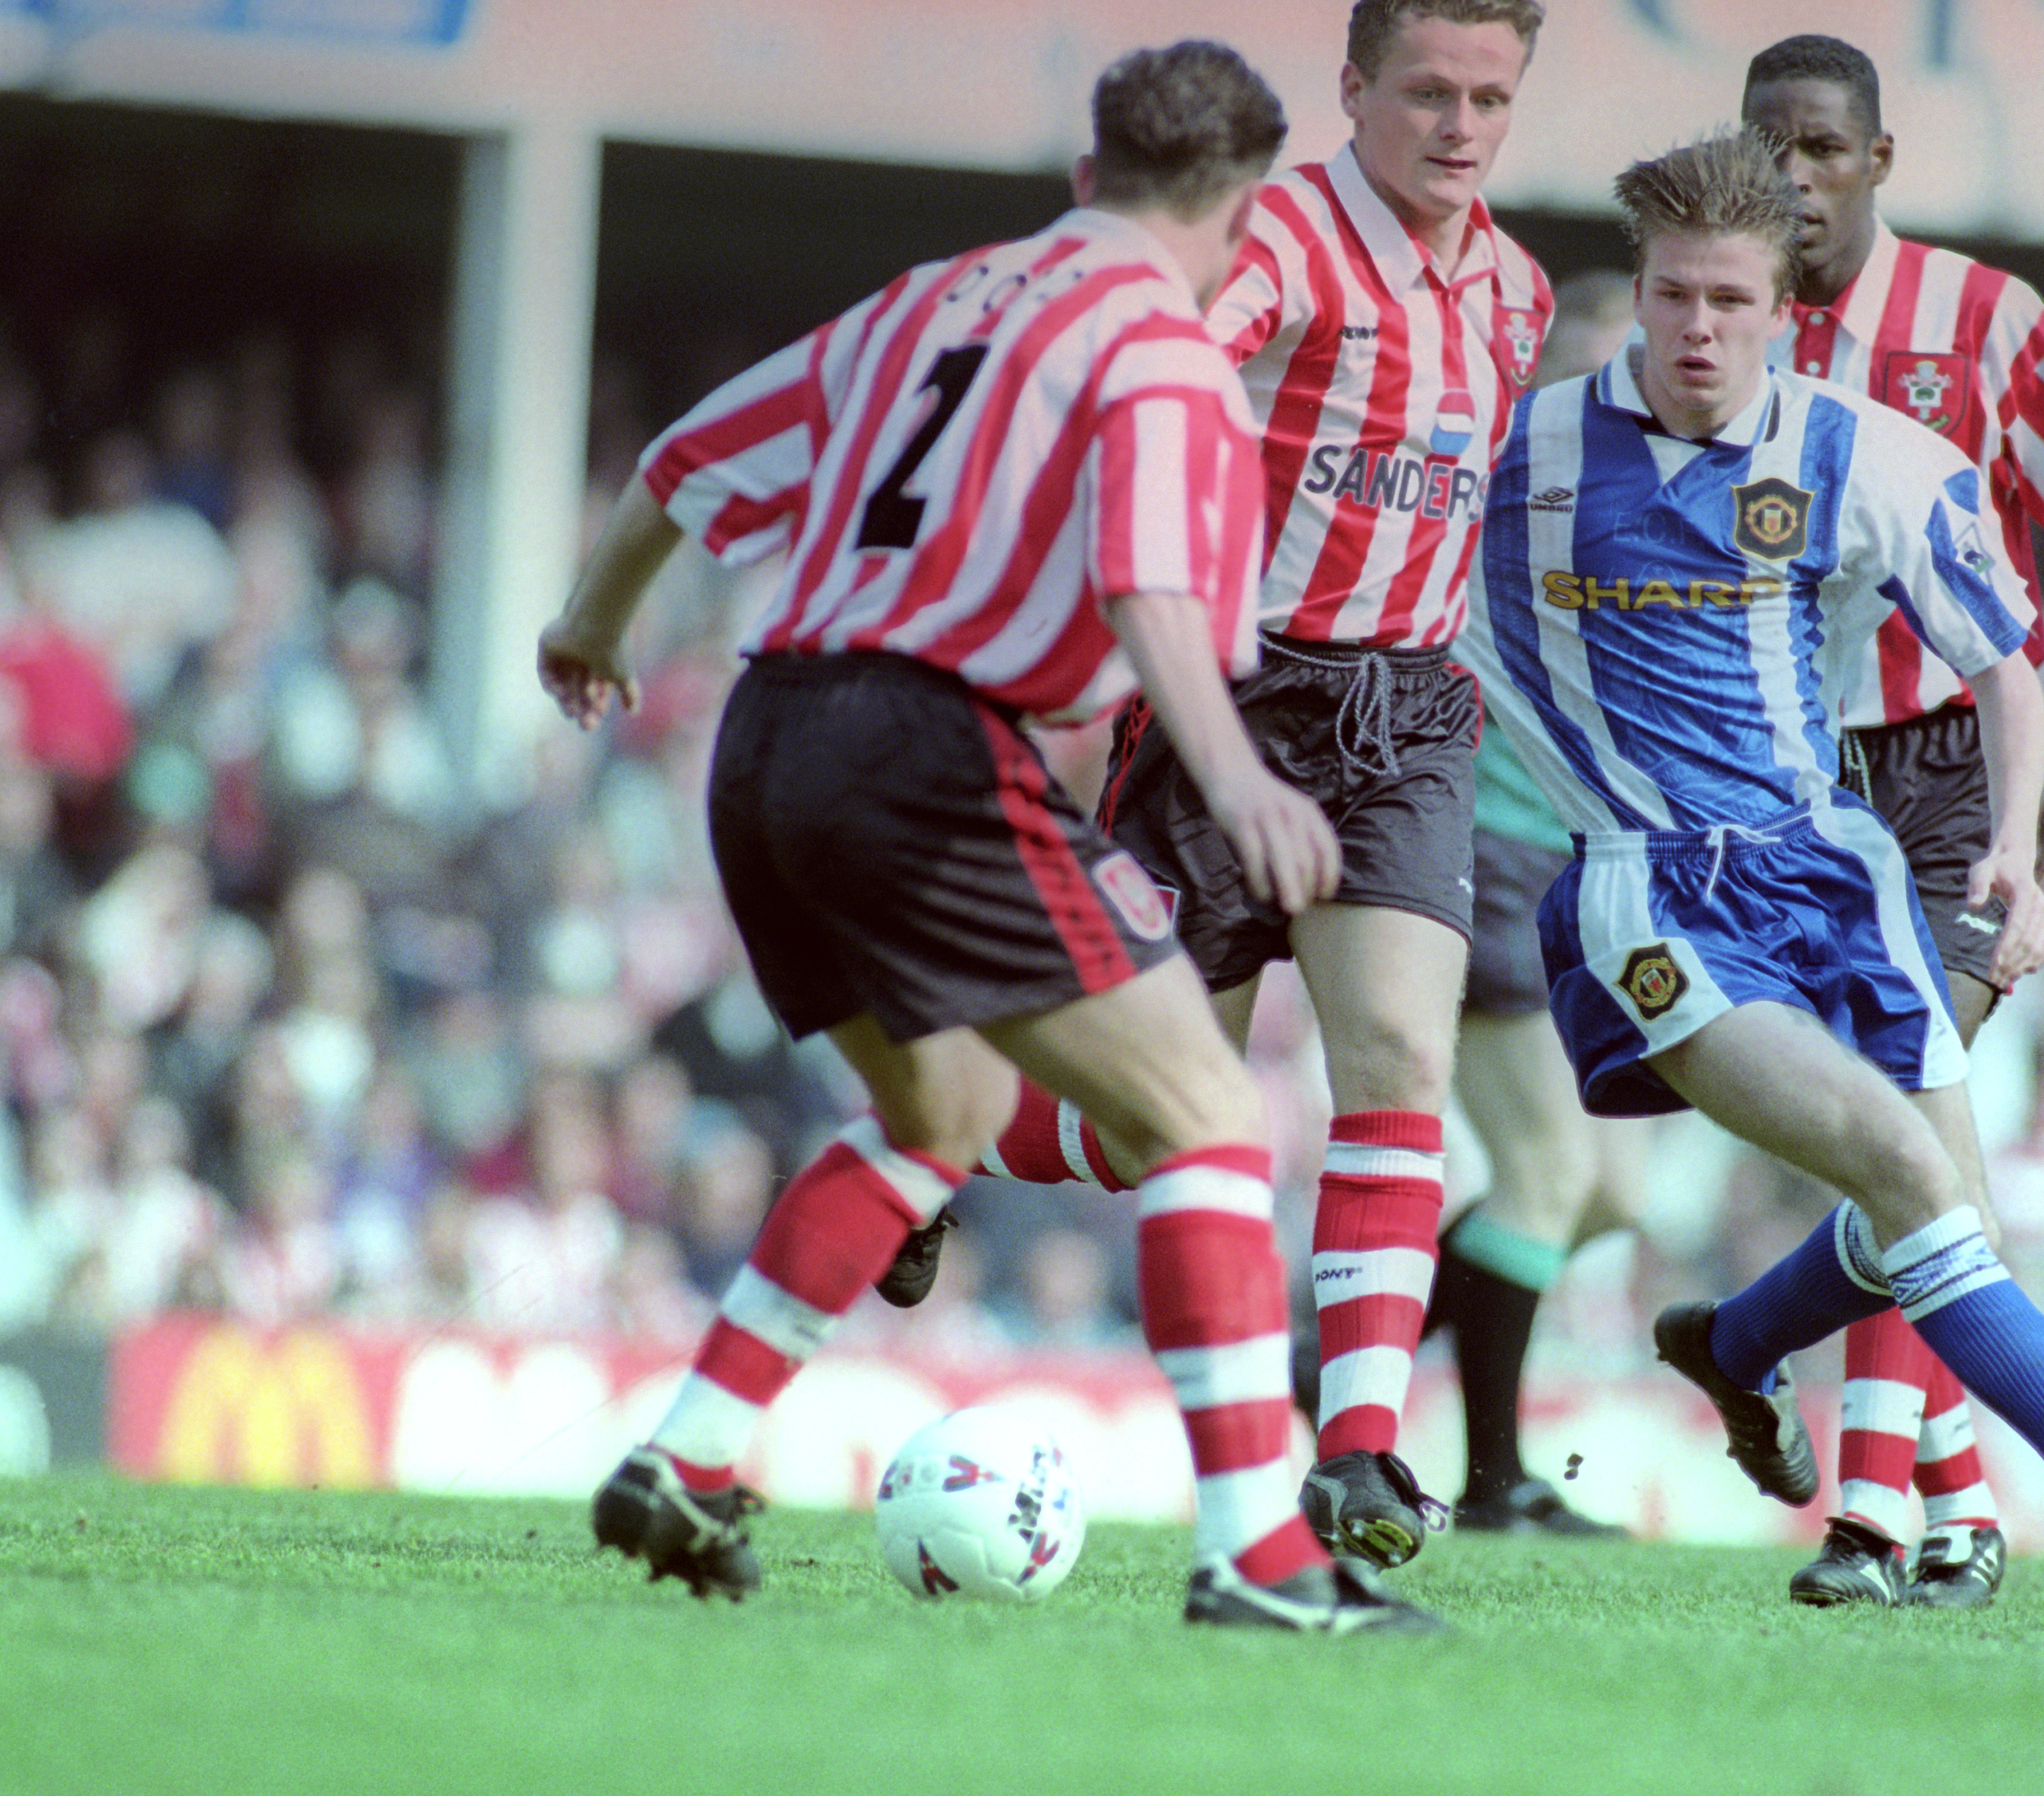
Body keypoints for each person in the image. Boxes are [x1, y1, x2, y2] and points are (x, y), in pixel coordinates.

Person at [539, 40, 1437, 1634]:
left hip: (765, 738)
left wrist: (586, 626)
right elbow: (1151, 587)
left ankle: (690, 1451)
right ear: (1237, 219)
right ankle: (1255, 1555)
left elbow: (683, 459)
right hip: (928, 745)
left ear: (1086, 181)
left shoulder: (923, 301)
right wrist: (1236, 782)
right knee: (1209, 1118)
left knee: (936, 1110)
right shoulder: (1162, 353)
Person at [1451, 128, 2044, 1597]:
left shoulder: (1864, 455)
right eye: (1673, 295)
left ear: (1777, 307)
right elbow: (1341, 553)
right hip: (1653, 885)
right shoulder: (1518, 451)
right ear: (1640, 288)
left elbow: (2008, 668)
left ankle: (1734, 1340)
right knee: (1900, 1167)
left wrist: (2009, 847)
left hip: (1837, 872)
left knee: (1952, 1214)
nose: (1698, 328)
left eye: (1730, 302)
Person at [900, 0, 1557, 1577]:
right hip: (1226, 701)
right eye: (1426, 92)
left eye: (1489, 96)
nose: (1458, 127)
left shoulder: (1519, 293)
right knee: (1149, 1126)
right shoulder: (1276, 243)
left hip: (1405, 707)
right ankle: (932, 1136)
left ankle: (1365, 1448)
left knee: (1395, 1047)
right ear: (1351, 89)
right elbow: (1160, 350)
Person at [1742, 33, 2044, 1609]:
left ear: (1876, 159)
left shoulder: (1984, 324)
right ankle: (1963, 1501)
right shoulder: (1715, 327)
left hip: (1949, 771)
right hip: (1782, 786)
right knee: (1905, 1135)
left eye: (1818, 148)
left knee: (1891, 1098)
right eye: (1765, 147)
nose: (1789, 178)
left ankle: (1863, 1517)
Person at [1424, 268, 1644, 1535]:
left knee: (1606, 1189)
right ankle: (1493, 1479)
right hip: (1495, 849)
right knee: (1548, 1170)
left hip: (1587, 869)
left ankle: (1331, 1352)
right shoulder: (1515, 481)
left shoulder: (1642, 488)